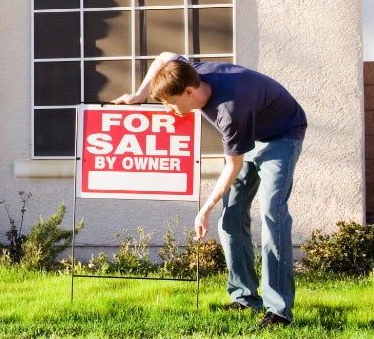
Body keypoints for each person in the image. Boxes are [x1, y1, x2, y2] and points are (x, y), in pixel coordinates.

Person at [113, 52, 307, 329]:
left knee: (272, 216)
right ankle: (243, 298)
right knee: (231, 218)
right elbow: (165, 56)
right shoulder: (190, 70)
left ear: (190, 92)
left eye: (170, 103)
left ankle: (278, 311)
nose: (168, 109)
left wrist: (204, 209)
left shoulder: (230, 110)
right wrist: (138, 95)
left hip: (281, 134)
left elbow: (232, 167)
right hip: (250, 132)